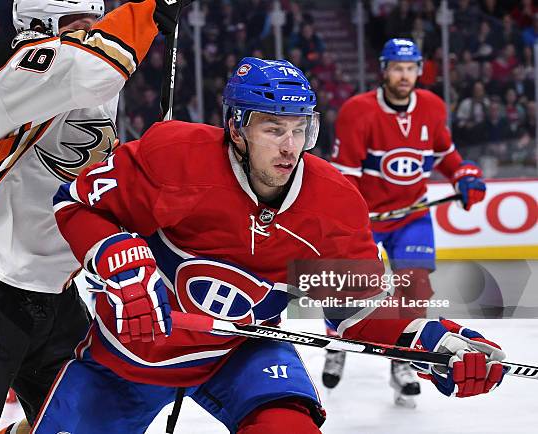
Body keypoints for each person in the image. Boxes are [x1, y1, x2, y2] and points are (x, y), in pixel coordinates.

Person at [34, 57, 505, 434]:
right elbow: (75, 203)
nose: (290, 146)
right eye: (273, 129)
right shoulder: (174, 157)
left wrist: (433, 343)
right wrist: (116, 253)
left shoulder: (334, 203)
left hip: (243, 349)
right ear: (236, 129)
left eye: (299, 129)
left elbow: (358, 310)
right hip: (136, 351)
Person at [0, 0, 188, 432]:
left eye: (94, 23)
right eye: (76, 24)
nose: (90, 32)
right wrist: (149, 9)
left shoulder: (97, 85)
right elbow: (93, 67)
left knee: (91, 426)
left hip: (56, 294)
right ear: (36, 24)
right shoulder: (16, 65)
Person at [326, 38, 490, 408]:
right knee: (347, 288)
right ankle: (336, 338)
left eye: (411, 68)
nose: (404, 75)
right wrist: (347, 220)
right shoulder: (358, 111)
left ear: (419, 70)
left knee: (415, 292)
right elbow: (345, 178)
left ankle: (402, 364)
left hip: (412, 215)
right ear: (384, 70)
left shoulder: (432, 106)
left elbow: (447, 154)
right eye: (397, 68)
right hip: (366, 217)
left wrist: (463, 175)